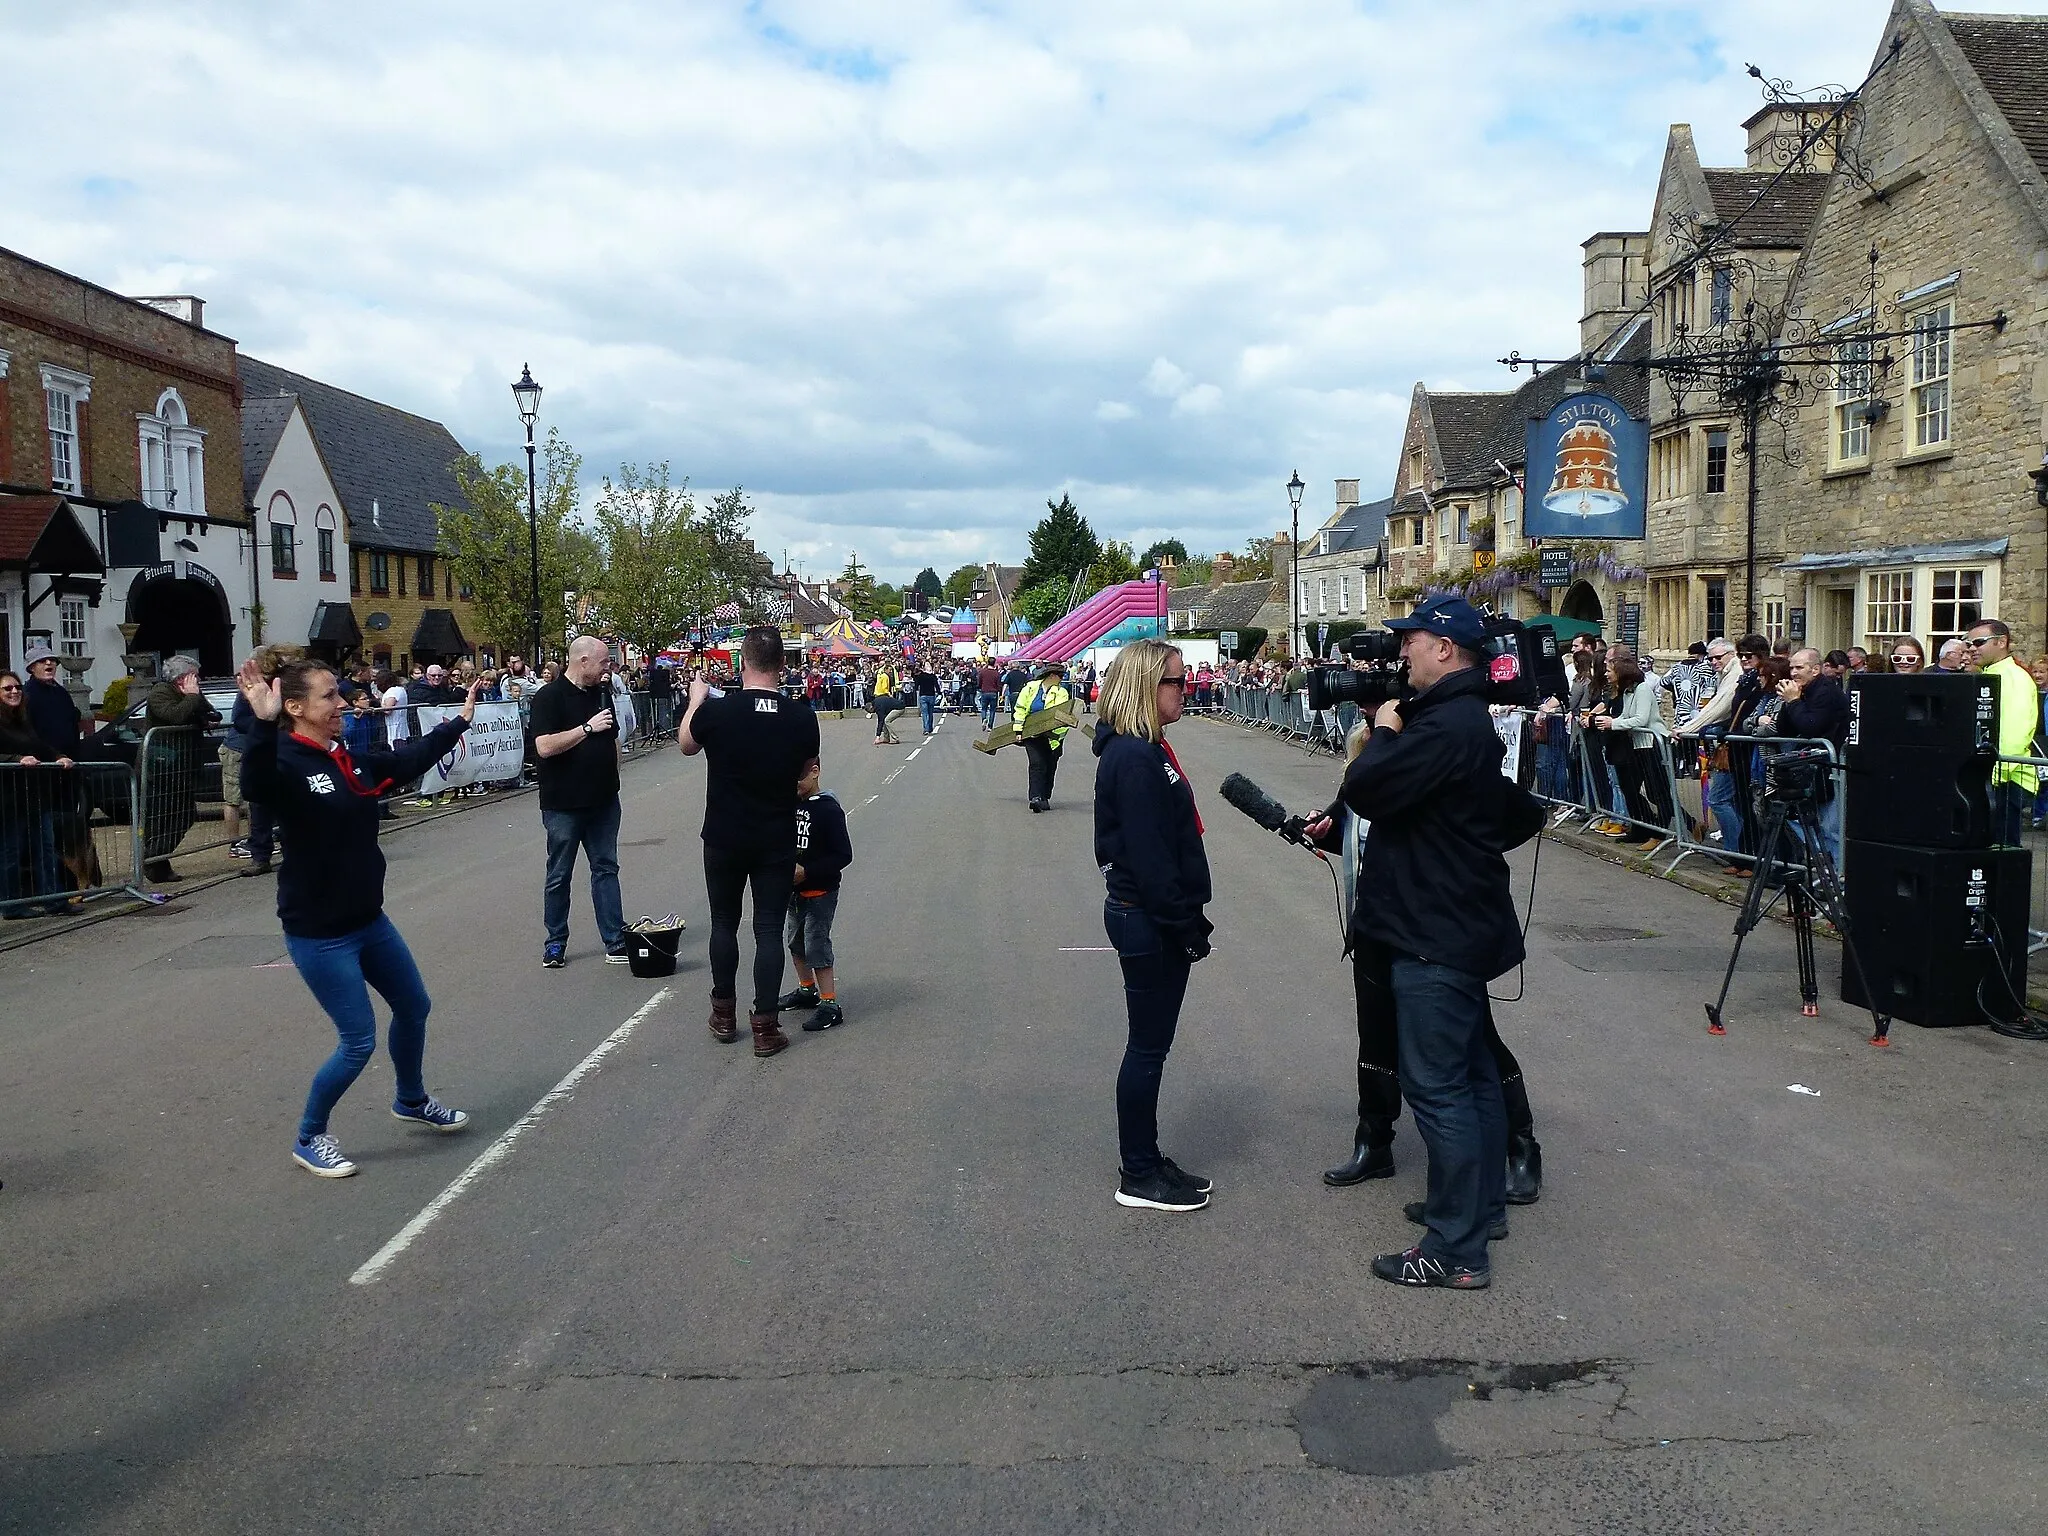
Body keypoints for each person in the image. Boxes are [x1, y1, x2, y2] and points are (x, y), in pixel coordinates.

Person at [1320, 594, 1544, 1290]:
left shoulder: (1448, 725)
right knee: (1471, 1079)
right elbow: (1506, 815)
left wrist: (1385, 732)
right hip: (1451, 921)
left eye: (1411, 641)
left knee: (1439, 1087)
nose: (1401, 654)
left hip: (1432, 932)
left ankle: (1455, 1249)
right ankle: (1473, 1209)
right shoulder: (1458, 719)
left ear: (1445, 648)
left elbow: (1368, 787)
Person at [237, 654, 479, 1178]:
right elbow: (255, 786)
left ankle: (411, 1100)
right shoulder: (284, 760)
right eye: (329, 697)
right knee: (358, 1041)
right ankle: (309, 1136)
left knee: (414, 1006)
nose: (343, 703)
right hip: (320, 934)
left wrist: (458, 722)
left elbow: (404, 764)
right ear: (294, 707)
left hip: (369, 921)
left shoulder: (344, 755)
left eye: (339, 694)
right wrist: (259, 722)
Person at [1308, 716, 1546, 1209]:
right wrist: (1325, 830)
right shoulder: (1369, 778)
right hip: (1375, 926)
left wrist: (1468, 855)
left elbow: (1525, 816)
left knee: (1476, 1040)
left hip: (1434, 930)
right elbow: (1350, 827)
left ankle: (1520, 1147)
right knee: (1375, 1034)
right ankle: (1374, 1142)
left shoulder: (1442, 767)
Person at [1091, 638, 1212, 1213]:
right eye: (1175, 681)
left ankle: (1147, 1155)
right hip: (1147, 915)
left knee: (1151, 1048)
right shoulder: (1134, 757)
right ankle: (1137, 1171)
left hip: (1154, 912)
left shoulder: (1148, 749)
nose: (1185, 689)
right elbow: (1148, 854)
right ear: (1145, 686)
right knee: (1146, 1049)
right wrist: (1183, 922)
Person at [678, 625, 821, 1057]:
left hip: (723, 833)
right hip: (774, 835)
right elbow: (805, 773)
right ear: (782, 665)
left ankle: (723, 1014)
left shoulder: (719, 712)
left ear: (742, 664)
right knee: (767, 930)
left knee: (723, 921)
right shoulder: (800, 715)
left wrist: (695, 701)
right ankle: (765, 1026)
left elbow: (686, 744)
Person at [529, 635, 629, 968]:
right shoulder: (549, 697)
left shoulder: (602, 694)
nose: (607, 669)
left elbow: (612, 738)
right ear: (582, 660)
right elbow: (544, 746)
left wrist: (614, 777)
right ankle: (555, 941)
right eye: (602, 662)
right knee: (559, 873)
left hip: (603, 801)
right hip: (564, 804)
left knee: (606, 868)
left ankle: (615, 939)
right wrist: (586, 728)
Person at [778, 757, 853, 1031]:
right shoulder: (790, 804)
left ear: (815, 771)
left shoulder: (829, 810)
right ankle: (806, 989)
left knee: (816, 945)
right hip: (792, 893)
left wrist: (807, 871)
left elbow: (844, 855)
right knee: (795, 942)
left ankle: (830, 1003)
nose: (793, 786)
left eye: (798, 779)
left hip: (820, 891)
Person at [0, 670, 73, 917]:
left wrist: (59, 756)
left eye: (17, 687)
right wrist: (16, 759)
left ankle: (54, 900)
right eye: (7, 688)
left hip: (34, 796)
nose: (14, 692)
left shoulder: (23, 721)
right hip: (8, 799)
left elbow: (39, 745)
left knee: (46, 848)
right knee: (11, 853)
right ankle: (11, 905)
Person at [141, 656, 220, 883]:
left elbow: (212, 713)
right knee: (160, 818)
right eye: (195, 674)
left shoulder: (192, 693)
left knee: (184, 816)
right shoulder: (160, 692)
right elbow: (175, 715)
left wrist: (203, 713)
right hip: (162, 766)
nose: (199, 679)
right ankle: (153, 861)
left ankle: (156, 860)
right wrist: (192, 697)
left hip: (183, 765)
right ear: (182, 677)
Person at [1966, 619, 2040, 846]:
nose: (1971, 649)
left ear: (2001, 642)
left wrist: (1992, 775)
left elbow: (2014, 733)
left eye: (1978, 642)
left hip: (2006, 782)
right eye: (1968, 644)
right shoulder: (1992, 674)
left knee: (2003, 854)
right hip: (1996, 778)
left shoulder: (2013, 677)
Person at [1777, 646, 1850, 865]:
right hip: (1811, 767)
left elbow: (1811, 726)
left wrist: (1794, 702)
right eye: (1791, 668)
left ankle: (1836, 875)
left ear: (1815, 670)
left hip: (1830, 766)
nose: (1793, 673)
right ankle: (1825, 867)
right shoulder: (1803, 691)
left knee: (1829, 826)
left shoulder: (1825, 691)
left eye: (1799, 667)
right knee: (1796, 817)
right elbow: (1785, 730)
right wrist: (1788, 702)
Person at [1599, 653, 1672, 848]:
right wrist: (1609, 721)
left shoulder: (1642, 689)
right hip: (1639, 745)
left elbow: (1641, 719)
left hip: (1653, 744)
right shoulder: (1628, 692)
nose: (1606, 674)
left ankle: (1660, 834)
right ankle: (1647, 829)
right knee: (1635, 789)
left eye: (1609, 670)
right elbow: (1625, 715)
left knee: (1658, 792)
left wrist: (1612, 723)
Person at [1014, 659, 1074, 813]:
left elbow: (1059, 715)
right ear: (1052, 675)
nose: (1062, 679)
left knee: (1050, 766)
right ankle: (1035, 797)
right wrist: (1018, 730)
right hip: (1032, 734)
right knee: (1036, 764)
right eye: (1060, 676)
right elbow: (1020, 709)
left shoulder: (1062, 693)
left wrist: (1055, 735)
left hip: (1052, 737)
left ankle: (1045, 796)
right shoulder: (1030, 688)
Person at [871, 660, 900, 746]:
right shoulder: (885, 677)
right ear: (886, 669)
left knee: (884, 718)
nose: (891, 672)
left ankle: (886, 737)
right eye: (890, 670)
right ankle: (889, 736)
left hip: (877, 694)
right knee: (884, 718)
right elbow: (884, 687)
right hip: (882, 695)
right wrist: (889, 694)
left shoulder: (880, 674)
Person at [912, 661, 941, 737]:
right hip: (931, 695)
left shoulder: (921, 676)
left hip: (923, 695)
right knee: (930, 712)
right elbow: (937, 685)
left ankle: (926, 729)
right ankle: (930, 727)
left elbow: (916, 684)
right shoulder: (933, 676)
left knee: (925, 713)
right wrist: (939, 693)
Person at [976, 659, 1002, 731]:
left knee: (984, 708)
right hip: (993, 692)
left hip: (984, 691)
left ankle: (984, 719)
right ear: (994, 663)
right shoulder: (996, 673)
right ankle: (990, 726)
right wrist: (999, 690)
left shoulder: (982, 672)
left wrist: (980, 687)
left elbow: (979, 682)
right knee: (992, 710)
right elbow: (999, 684)